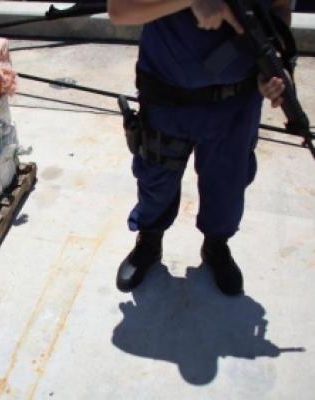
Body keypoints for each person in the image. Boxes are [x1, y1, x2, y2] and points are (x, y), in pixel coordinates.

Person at [107, 0, 293, 295]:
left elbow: (280, 8)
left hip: (237, 102)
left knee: (227, 186)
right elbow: (120, 10)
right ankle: (149, 241)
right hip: (167, 96)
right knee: (156, 180)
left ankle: (216, 246)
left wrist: (275, 65)